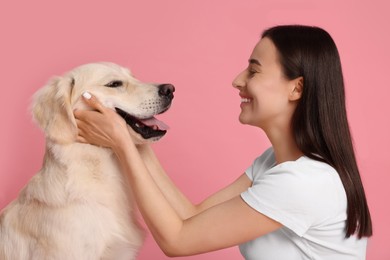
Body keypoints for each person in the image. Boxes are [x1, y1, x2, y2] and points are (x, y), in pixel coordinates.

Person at [74, 25, 372, 259]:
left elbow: (177, 240)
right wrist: (138, 135)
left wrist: (122, 145)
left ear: (296, 88)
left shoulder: (303, 181)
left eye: (253, 71)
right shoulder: (273, 162)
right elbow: (192, 215)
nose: (237, 80)